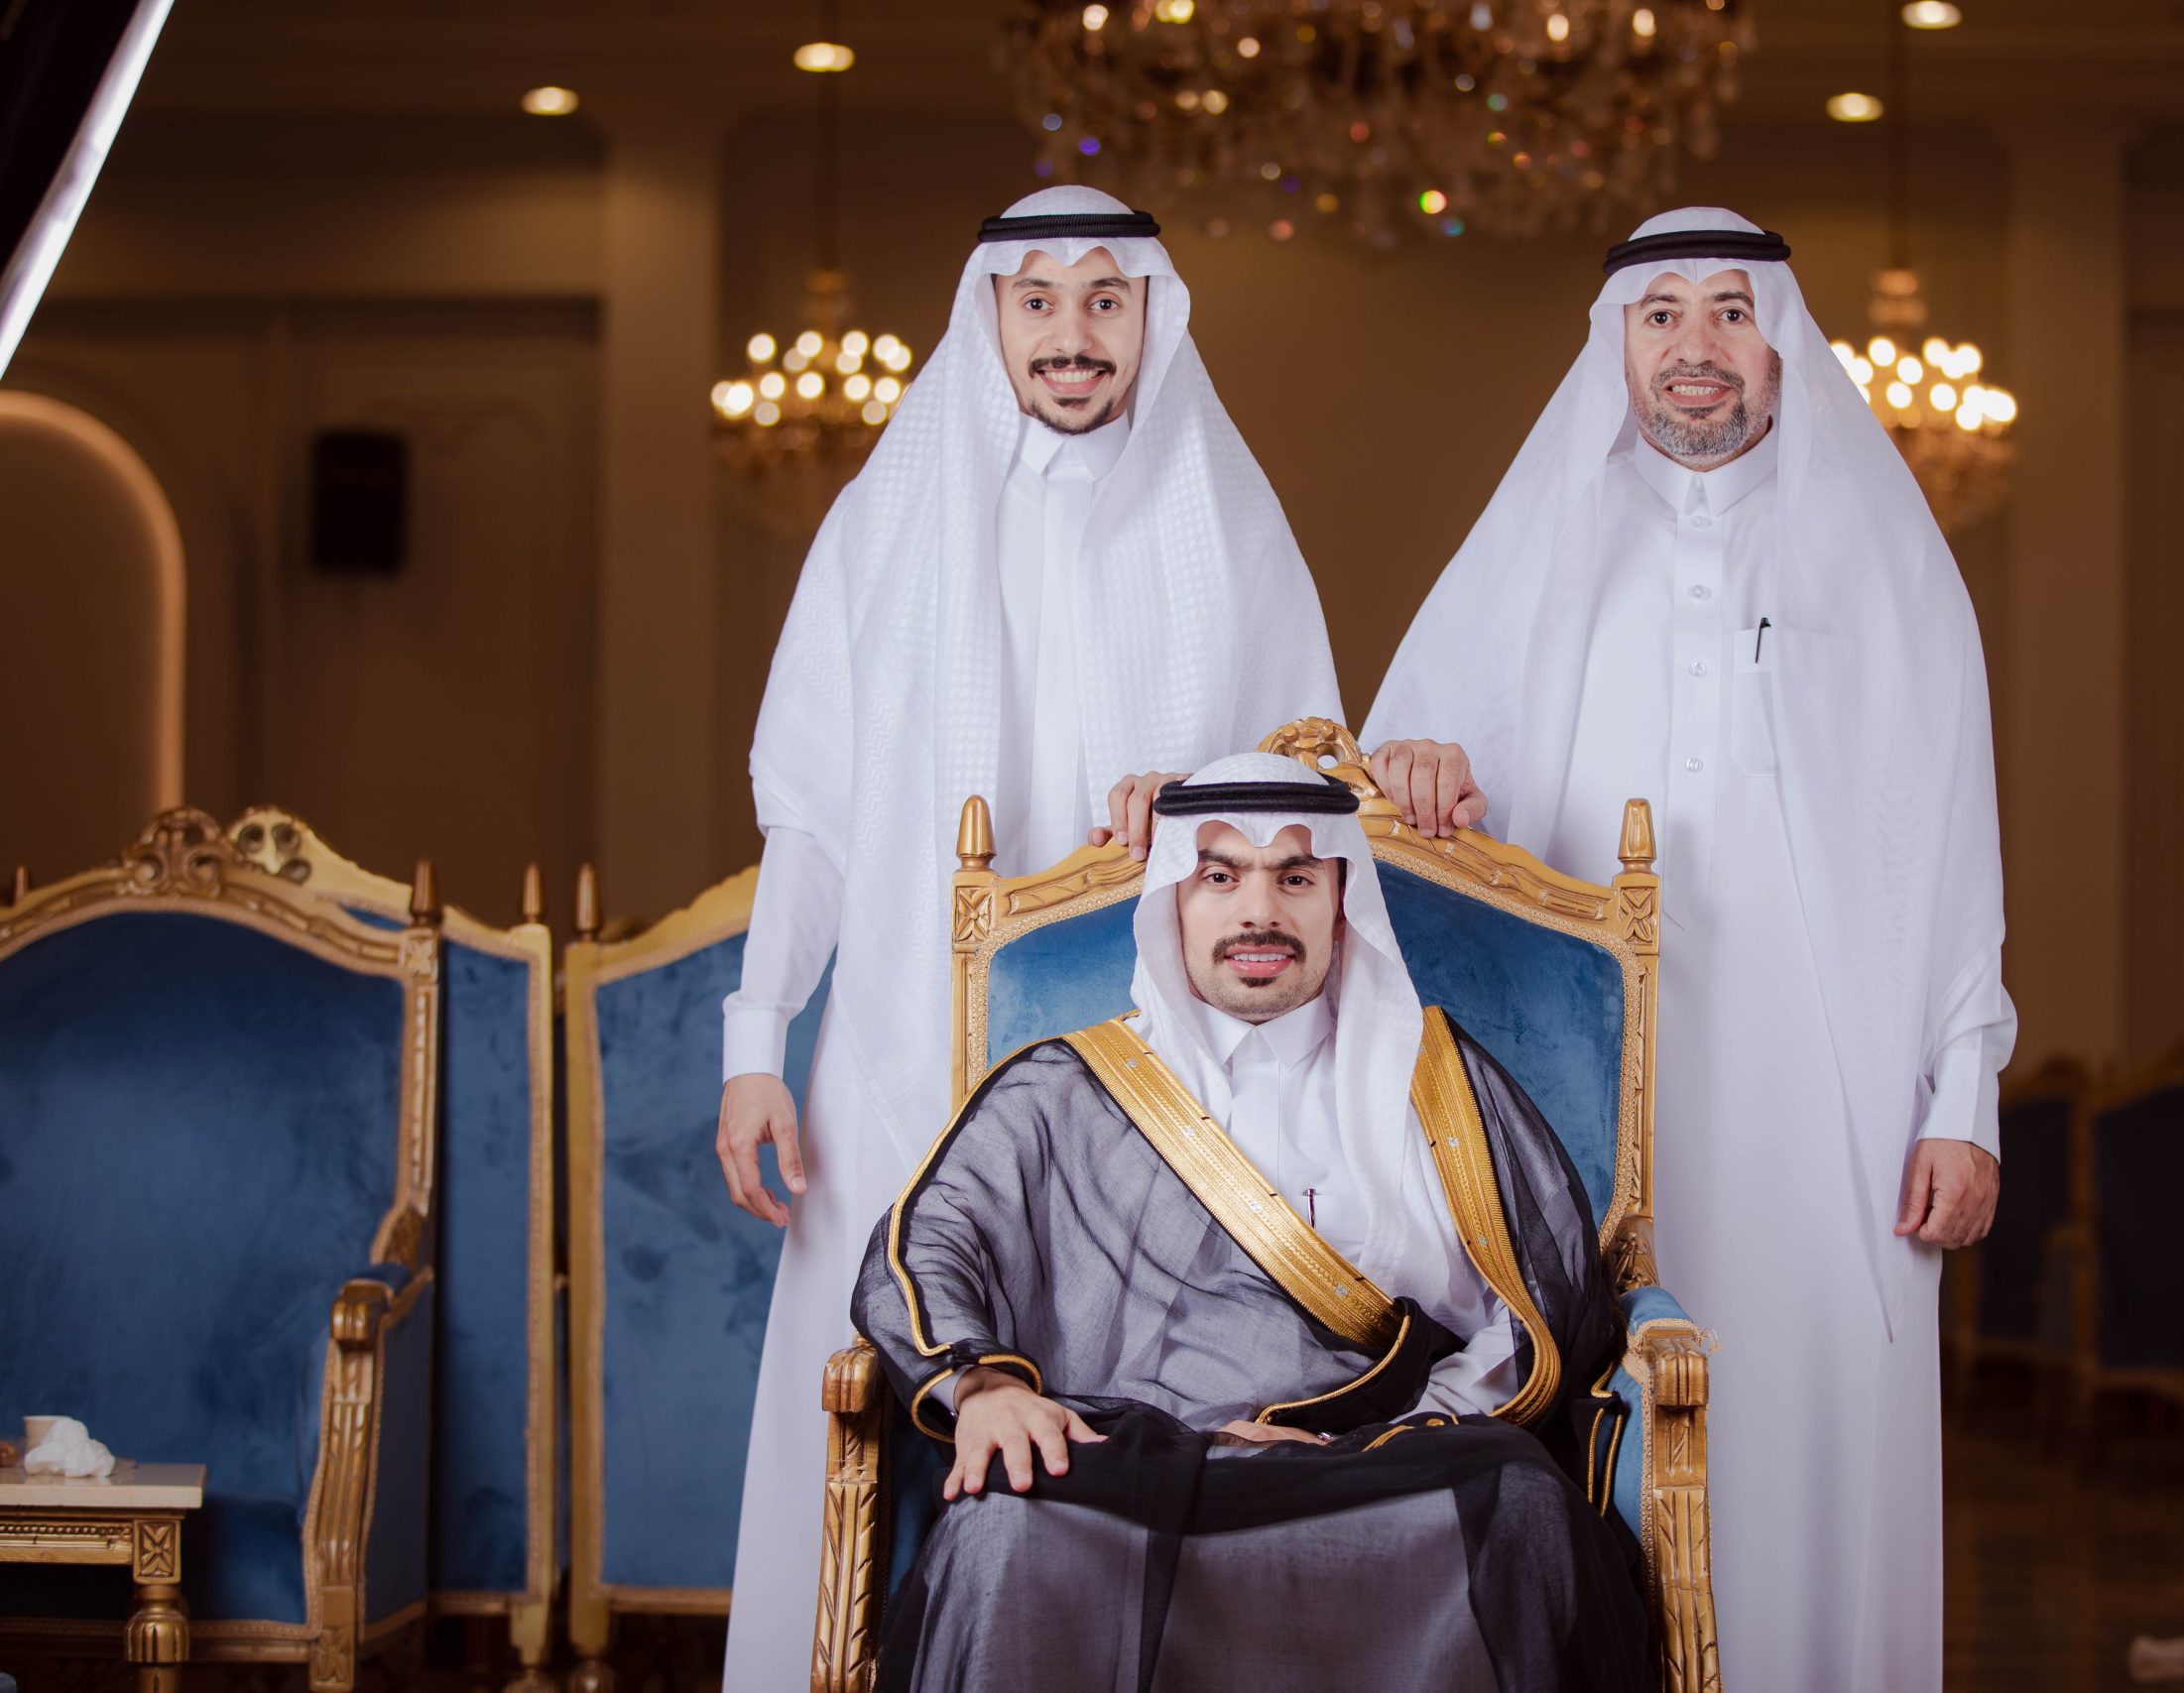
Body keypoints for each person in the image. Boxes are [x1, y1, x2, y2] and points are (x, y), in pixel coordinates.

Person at [1364, 208, 2017, 1692]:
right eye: (1661, 316)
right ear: (1618, 349)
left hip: (1837, 1094)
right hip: (1586, 1094)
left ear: (1781, 342)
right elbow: (1401, 797)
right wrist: (1412, 771)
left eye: (1731, 310)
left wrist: (1963, 1097)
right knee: (1597, 1405)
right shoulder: (1534, 548)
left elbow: (1954, 845)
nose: (1696, 346)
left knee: (1818, 1413)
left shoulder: (1889, 562)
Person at [714, 190, 1342, 1690]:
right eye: (1040, 299)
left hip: (1152, 1088)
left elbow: (1309, 798)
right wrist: (756, 1041)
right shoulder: (883, 521)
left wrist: (1203, 795)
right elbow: (811, 818)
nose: (1073, 333)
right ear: (988, 314)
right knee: (866, 1395)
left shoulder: (1228, 518)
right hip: (901, 1049)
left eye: (1106, 299)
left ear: (1151, 319)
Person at [854, 753, 1650, 1693]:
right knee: (1005, 1525)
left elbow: (1537, 1311)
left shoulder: (1437, 1083)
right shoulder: (1065, 1088)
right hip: (1127, 1459)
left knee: (1521, 1504)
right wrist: (984, 1384)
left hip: (1377, 1462)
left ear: (1341, 903)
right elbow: (927, 1241)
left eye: (1296, 877)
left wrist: (1399, 1430)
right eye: (1220, 876)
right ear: (1174, 901)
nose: (1259, 912)